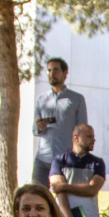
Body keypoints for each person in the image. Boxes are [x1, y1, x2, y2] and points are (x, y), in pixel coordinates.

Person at [49, 122, 106, 217]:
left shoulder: (97, 163)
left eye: (94, 137)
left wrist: (64, 186)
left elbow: (92, 189)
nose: (94, 140)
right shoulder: (59, 160)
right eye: (89, 137)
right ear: (76, 137)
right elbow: (58, 191)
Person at [31, 57, 87, 187]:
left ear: (65, 72)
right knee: (37, 194)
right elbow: (34, 130)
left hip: (66, 160)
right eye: (49, 71)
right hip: (42, 159)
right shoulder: (41, 99)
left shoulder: (76, 99)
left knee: (65, 200)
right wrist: (38, 127)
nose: (51, 74)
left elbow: (82, 129)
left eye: (55, 70)